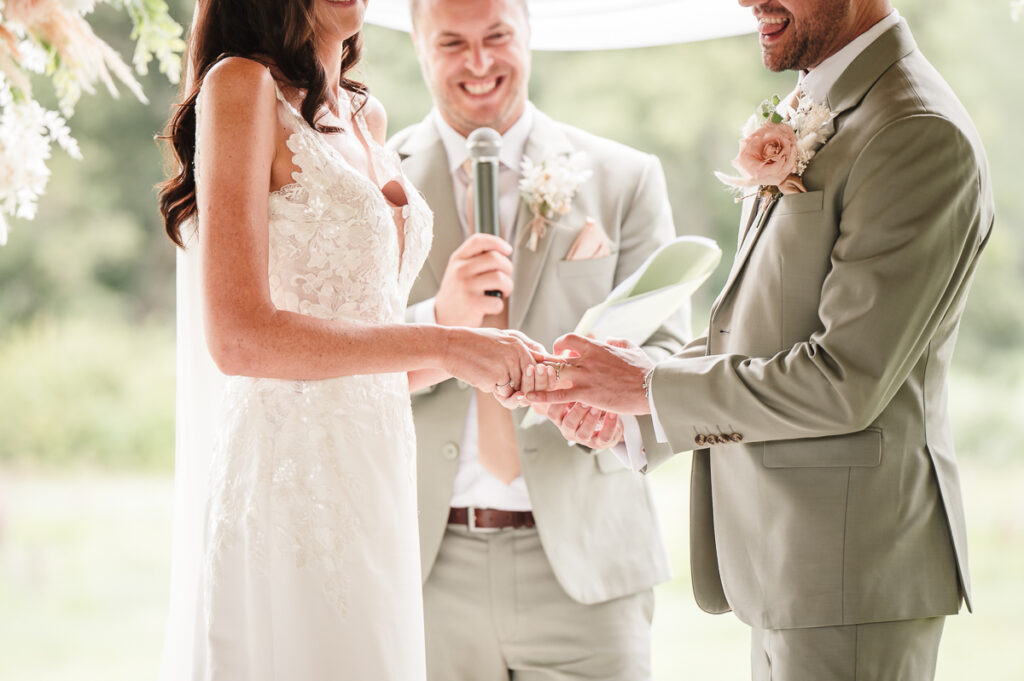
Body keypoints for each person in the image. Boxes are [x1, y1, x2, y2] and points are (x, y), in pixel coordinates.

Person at [528, 1, 994, 679]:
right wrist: (638, 405)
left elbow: (844, 379)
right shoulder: (830, 106)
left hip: (850, 577)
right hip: (796, 575)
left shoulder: (914, 131)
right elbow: (771, 328)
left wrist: (648, 387)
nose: (748, 0)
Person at [155, 1, 549, 679]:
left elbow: (364, 356)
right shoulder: (242, 86)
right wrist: (450, 345)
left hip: (378, 474)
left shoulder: (367, 116)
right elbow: (240, 339)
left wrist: (461, 348)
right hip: (291, 488)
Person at [387, 0, 690, 678]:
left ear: (528, 31)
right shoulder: (377, 185)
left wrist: (612, 418)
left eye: (497, 36)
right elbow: (338, 365)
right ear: (417, 45)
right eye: (452, 42)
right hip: (425, 564)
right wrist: (440, 318)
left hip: (589, 566)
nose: (479, 62)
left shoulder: (625, 178)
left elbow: (672, 358)